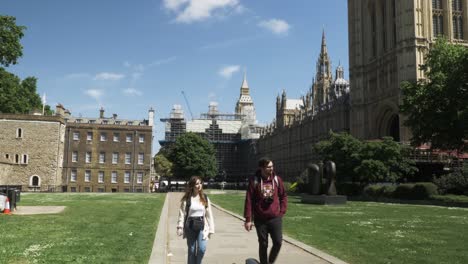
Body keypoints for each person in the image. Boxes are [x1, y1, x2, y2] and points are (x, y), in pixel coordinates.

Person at [244, 157, 288, 264]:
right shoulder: (254, 181)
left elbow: (283, 196)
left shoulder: (277, 180)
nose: (271, 169)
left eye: (272, 166)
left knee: (278, 242)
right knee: (263, 244)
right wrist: (248, 219)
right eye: (269, 167)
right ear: (262, 168)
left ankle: (270, 262)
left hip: (275, 218)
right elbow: (249, 200)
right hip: (260, 219)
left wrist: (281, 212)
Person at [177, 176, 215, 264]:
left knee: (202, 248)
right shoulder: (187, 199)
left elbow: (209, 214)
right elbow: (182, 213)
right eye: (197, 184)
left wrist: (211, 228)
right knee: (192, 250)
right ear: (192, 186)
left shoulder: (205, 198)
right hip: (190, 226)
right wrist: (179, 226)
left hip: (202, 225)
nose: (199, 185)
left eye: (200, 183)